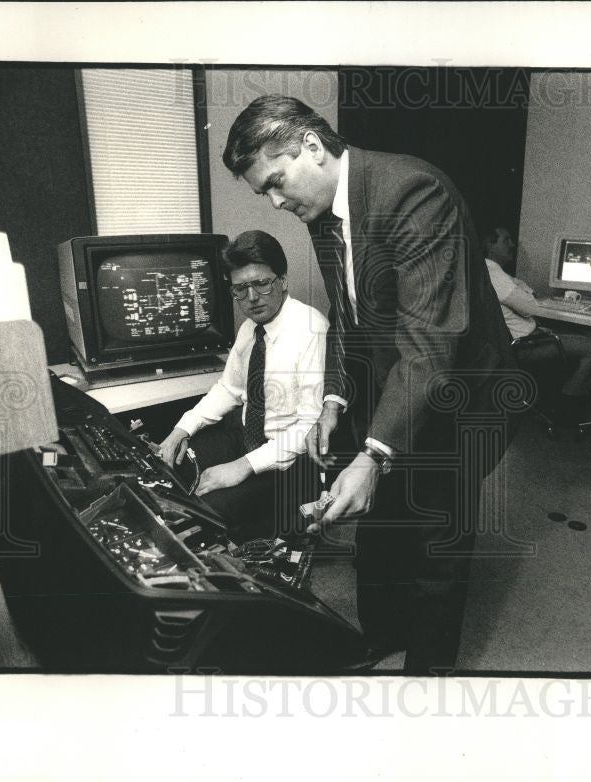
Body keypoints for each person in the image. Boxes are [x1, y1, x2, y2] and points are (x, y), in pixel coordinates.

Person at [222, 95, 519, 674]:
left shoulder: (415, 193)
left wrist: (374, 454)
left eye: (277, 183)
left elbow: (430, 347)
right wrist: (336, 397)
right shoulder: (324, 211)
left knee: (436, 543)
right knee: (379, 536)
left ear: (312, 145)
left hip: (464, 396)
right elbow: (349, 317)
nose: (278, 202)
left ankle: (426, 679)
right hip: (399, 387)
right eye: (265, 193)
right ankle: (381, 638)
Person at [157, 230, 327, 541]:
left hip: (290, 461)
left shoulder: (311, 329)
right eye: (240, 288)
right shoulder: (251, 329)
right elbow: (229, 388)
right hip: (246, 436)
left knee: (203, 514)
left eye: (262, 283)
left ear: (283, 280)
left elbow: (311, 427)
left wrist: (242, 466)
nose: (251, 298)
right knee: (170, 469)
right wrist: (183, 428)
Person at [482, 225, 591, 423]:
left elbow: (523, 288)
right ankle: (565, 408)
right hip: (523, 345)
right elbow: (531, 307)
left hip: (516, 340)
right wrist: (526, 294)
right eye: (506, 240)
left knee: (573, 334)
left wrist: (524, 291)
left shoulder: (488, 270)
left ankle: (561, 398)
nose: (512, 245)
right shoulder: (494, 274)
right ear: (489, 245)